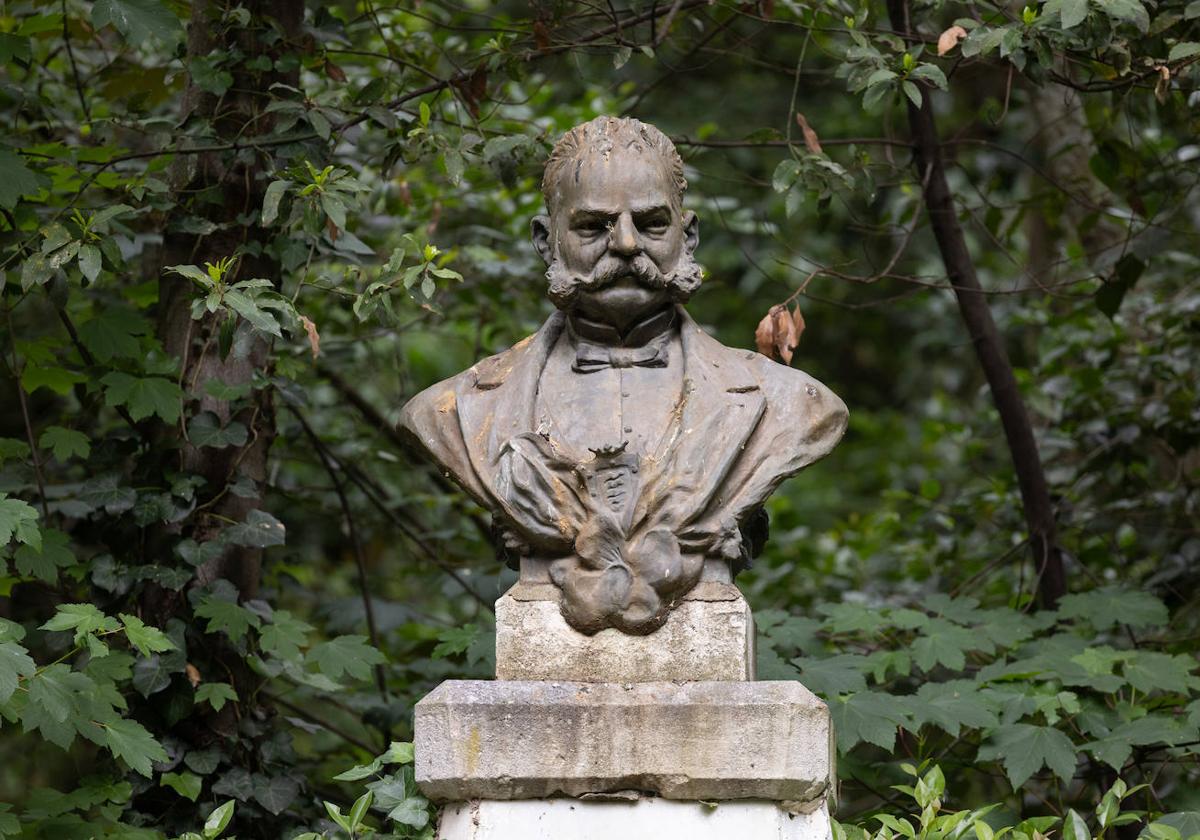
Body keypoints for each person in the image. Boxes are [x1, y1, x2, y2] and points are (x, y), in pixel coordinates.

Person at [399, 116, 847, 635]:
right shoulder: (460, 411)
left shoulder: (788, 404)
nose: (629, 245)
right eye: (594, 226)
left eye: (653, 223)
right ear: (547, 241)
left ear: (689, 234)